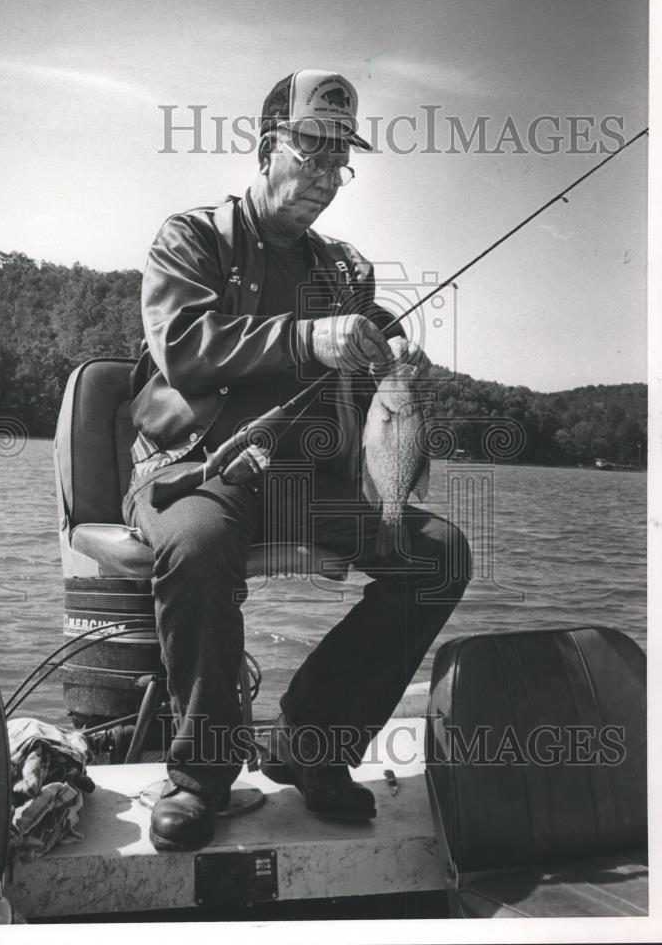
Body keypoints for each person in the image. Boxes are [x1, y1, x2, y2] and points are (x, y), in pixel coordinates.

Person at [122, 69, 471, 851]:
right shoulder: (192, 238)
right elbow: (183, 348)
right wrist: (304, 336)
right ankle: (201, 775)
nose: (324, 175)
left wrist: (397, 355)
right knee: (199, 545)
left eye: (339, 159)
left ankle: (310, 746)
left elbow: (371, 343)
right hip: (197, 471)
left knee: (439, 553)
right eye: (310, 149)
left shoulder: (344, 269)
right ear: (266, 145)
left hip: (304, 483)